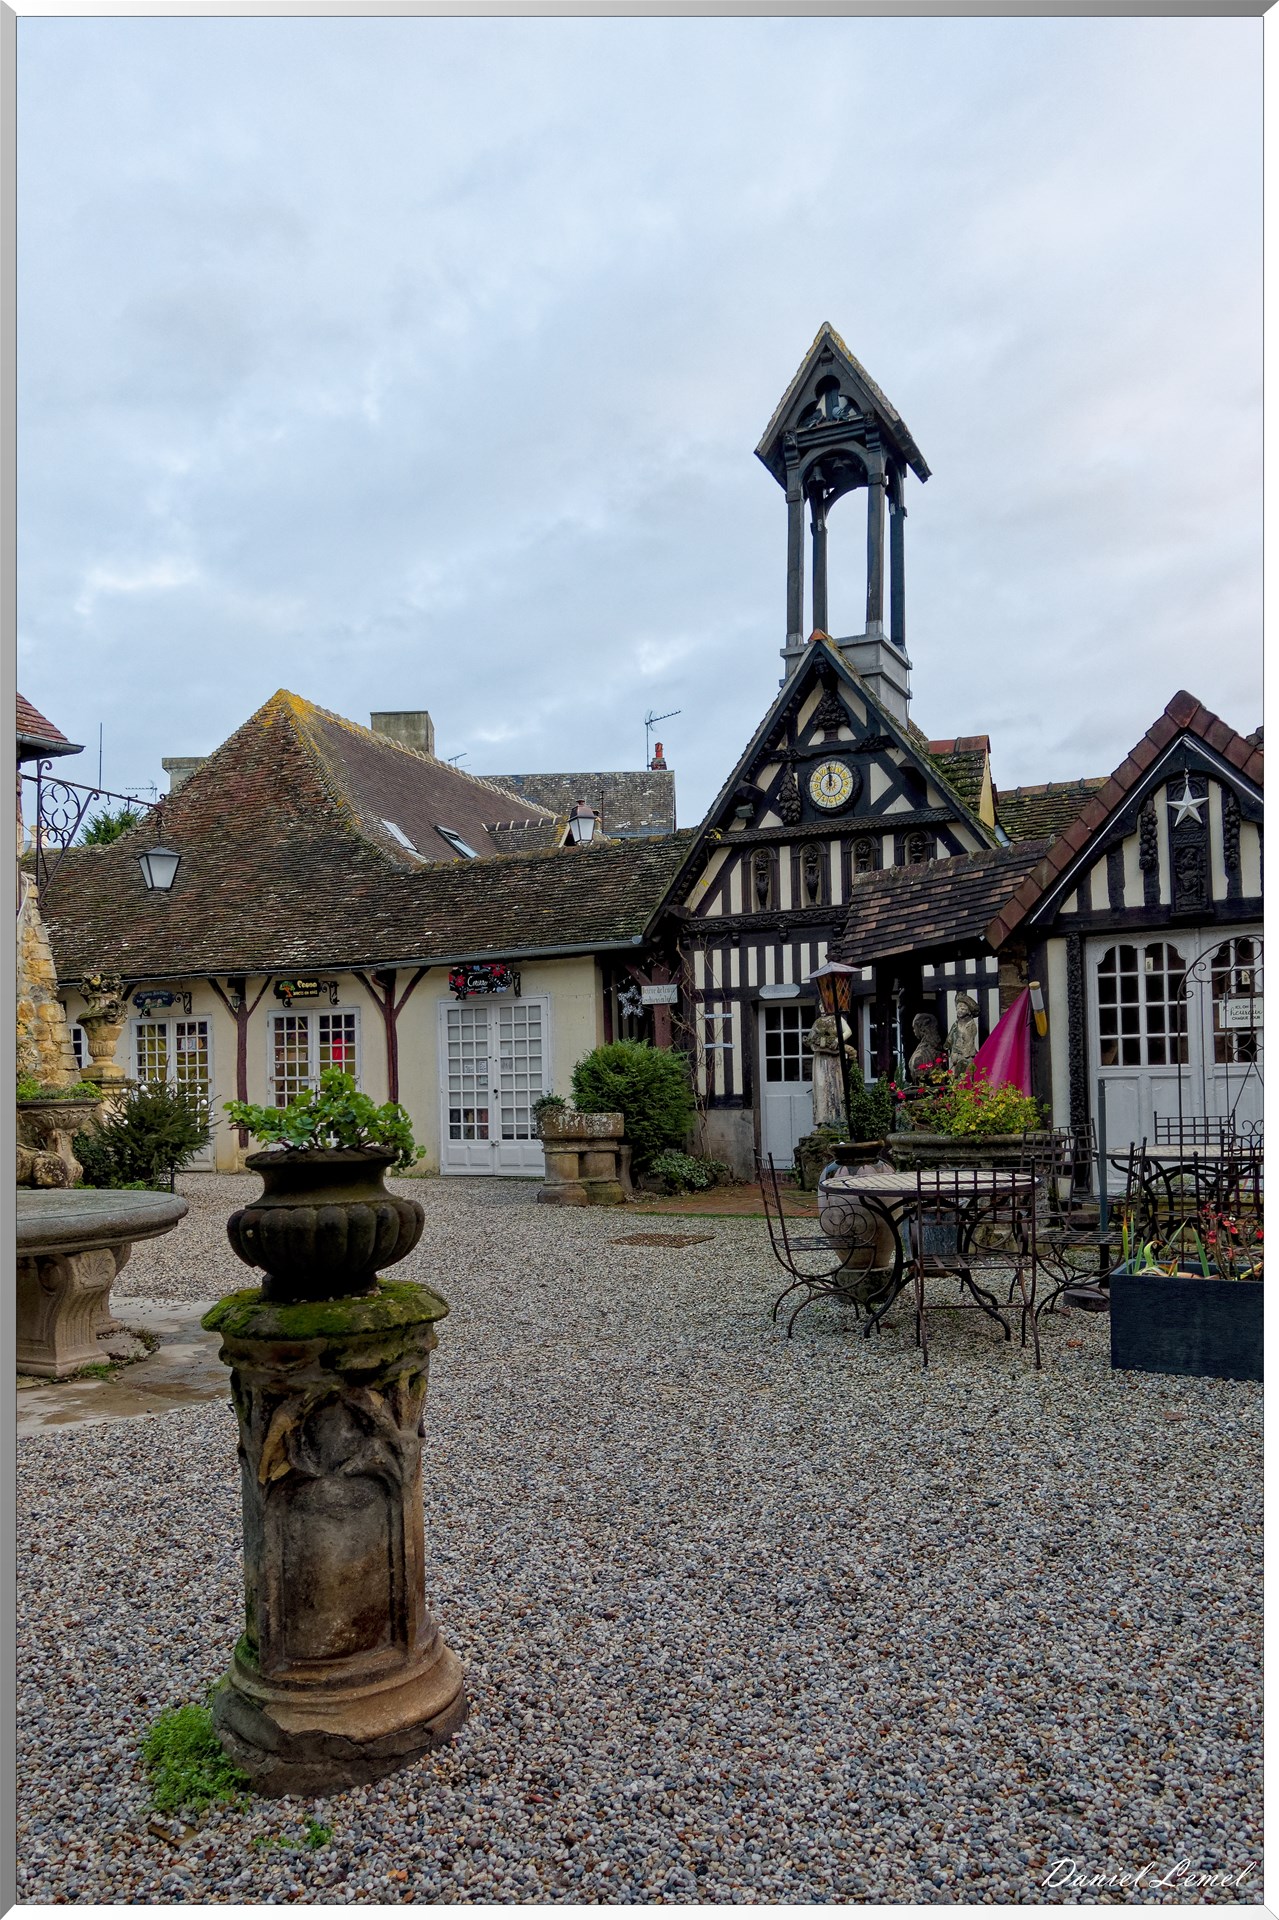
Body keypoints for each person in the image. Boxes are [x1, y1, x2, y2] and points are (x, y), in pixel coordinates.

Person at [803, 1012, 851, 1128]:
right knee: (821, 1086)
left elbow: (848, 1031)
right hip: (820, 1057)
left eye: (823, 1005)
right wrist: (808, 1041)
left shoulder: (837, 1018)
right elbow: (811, 1037)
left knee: (835, 1085)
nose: (822, 1008)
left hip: (834, 1056)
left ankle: (838, 1118)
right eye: (820, 1006)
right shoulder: (818, 1022)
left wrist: (836, 1041)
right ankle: (823, 1118)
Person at [946, 993, 980, 1078]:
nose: (959, 1010)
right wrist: (949, 1044)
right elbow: (950, 1037)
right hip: (955, 1054)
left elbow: (969, 1041)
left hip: (966, 1054)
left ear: (968, 1011)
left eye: (963, 1008)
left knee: (967, 1075)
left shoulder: (970, 1025)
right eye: (958, 1008)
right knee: (954, 1075)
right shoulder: (955, 1024)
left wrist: (963, 1053)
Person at [907, 1012, 944, 1081]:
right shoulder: (923, 1047)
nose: (914, 1031)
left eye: (914, 1028)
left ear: (921, 1028)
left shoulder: (929, 1050)